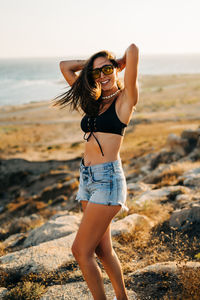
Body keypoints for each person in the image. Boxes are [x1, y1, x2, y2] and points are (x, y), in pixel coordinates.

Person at [54, 44, 139, 300]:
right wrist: (92, 66)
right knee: (103, 251)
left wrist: (119, 63)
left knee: (80, 251)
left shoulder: (126, 100)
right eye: (96, 73)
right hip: (87, 180)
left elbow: (134, 50)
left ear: (117, 70)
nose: (103, 76)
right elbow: (65, 66)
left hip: (108, 180)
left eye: (108, 70)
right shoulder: (92, 99)